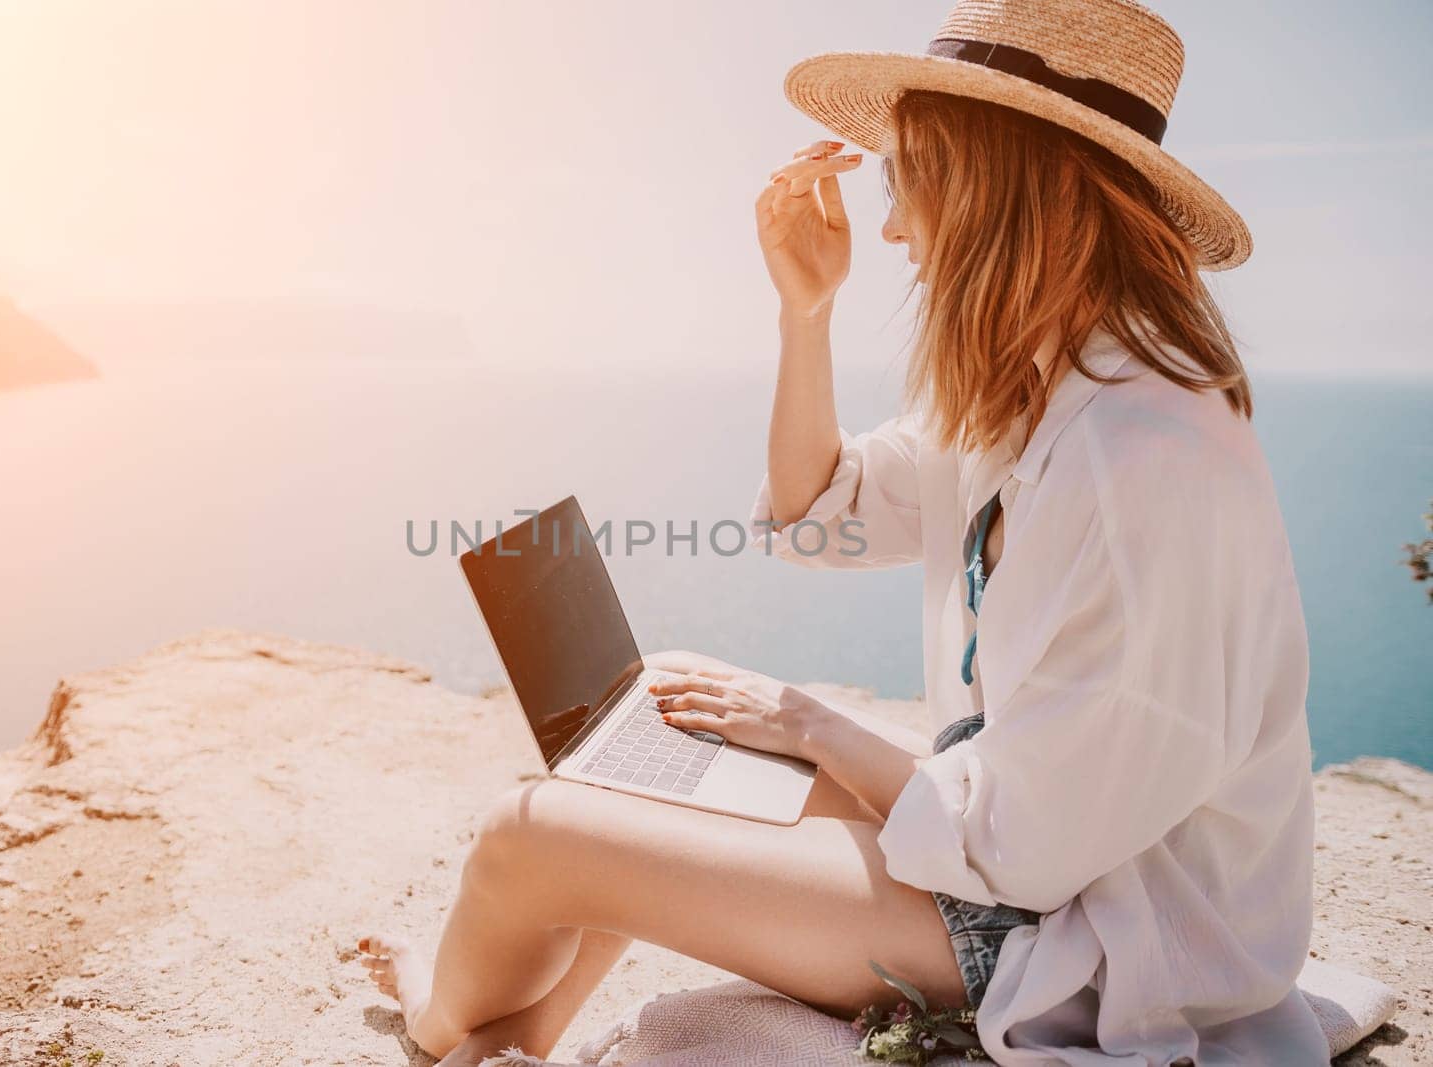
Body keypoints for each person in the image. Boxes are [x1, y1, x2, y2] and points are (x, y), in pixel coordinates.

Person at [357, 0, 1330, 1063]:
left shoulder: (1148, 461)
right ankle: (514, 1027)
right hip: (1023, 861)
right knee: (665, 709)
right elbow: (819, 520)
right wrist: (803, 313)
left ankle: (441, 1023)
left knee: (525, 833)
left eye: (903, 176)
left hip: (1088, 944)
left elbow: (1030, 849)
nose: (895, 227)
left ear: (999, 185)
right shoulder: (1040, 389)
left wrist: (817, 727)